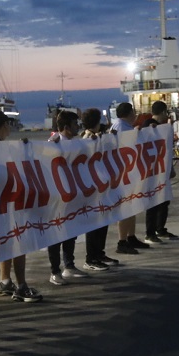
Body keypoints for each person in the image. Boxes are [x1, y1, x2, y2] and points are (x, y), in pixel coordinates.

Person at [0, 111, 43, 302]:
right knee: (19, 243)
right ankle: (21, 286)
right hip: (7, 203)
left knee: (6, 242)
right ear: (5, 125)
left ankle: (5, 282)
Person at [45, 110, 88, 285]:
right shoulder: (53, 143)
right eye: (75, 124)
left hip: (71, 194)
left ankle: (69, 265)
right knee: (56, 234)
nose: (78, 126)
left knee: (71, 231)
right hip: (57, 196)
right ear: (66, 127)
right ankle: (55, 271)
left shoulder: (72, 143)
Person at [79, 108, 118, 271]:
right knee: (95, 223)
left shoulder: (94, 137)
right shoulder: (88, 138)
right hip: (93, 187)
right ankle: (91, 258)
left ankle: (99, 253)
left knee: (103, 221)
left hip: (100, 185)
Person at [110, 102, 150, 254]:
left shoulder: (122, 126)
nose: (135, 115)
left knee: (132, 206)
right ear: (128, 113)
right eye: (133, 112)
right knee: (126, 208)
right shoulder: (121, 127)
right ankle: (122, 241)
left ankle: (131, 236)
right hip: (124, 173)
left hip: (129, 172)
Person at [143, 101, 177, 243]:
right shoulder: (149, 125)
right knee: (153, 203)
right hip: (152, 171)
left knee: (164, 201)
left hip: (161, 170)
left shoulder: (163, 127)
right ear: (163, 112)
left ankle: (160, 229)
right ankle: (150, 232)